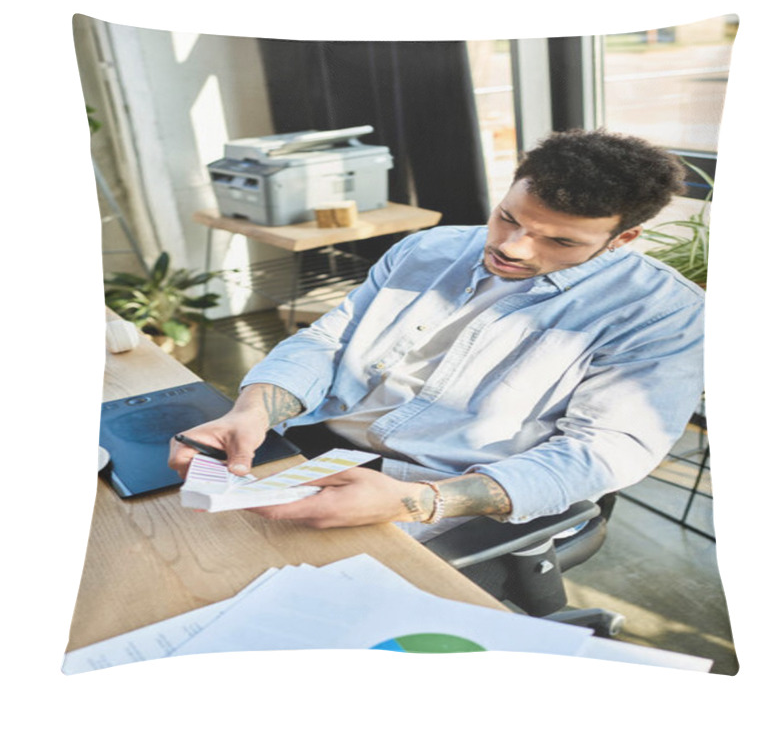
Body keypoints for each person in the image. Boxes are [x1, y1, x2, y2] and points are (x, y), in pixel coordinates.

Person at [168, 128, 704, 542]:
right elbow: (328, 341)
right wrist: (254, 411)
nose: (514, 248)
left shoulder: (664, 313)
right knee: (166, 528)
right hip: (311, 443)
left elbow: (602, 453)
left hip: (443, 488)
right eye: (507, 218)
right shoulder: (430, 249)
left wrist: (418, 501)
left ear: (623, 237)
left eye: (558, 241)